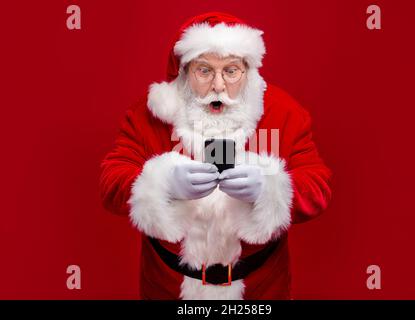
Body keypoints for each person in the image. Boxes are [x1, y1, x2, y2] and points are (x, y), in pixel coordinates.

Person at [99, 11, 332, 300]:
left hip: (260, 289)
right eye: (205, 70)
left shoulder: (284, 113)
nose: (219, 86)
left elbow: (318, 187)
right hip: (168, 287)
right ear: (184, 72)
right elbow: (111, 181)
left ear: (248, 70)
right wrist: (161, 185)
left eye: (231, 71)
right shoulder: (149, 116)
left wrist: (270, 189)